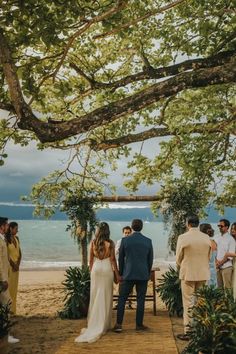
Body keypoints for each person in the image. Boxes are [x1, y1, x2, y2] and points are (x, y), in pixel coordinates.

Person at [75, 222, 120, 343]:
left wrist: (91, 273)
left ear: (98, 231)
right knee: (106, 296)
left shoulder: (93, 242)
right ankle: (104, 323)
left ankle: (94, 322)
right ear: (108, 231)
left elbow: (90, 260)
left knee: (95, 296)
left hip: (96, 269)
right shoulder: (110, 243)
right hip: (106, 269)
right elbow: (113, 261)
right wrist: (117, 275)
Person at [113, 219, 153, 333]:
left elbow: (120, 259)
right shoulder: (148, 241)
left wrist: (120, 274)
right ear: (141, 227)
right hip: (142, 274)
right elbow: (150, 260)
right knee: (141, 300)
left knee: (122, 299)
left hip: (128, 274)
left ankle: (119, 324)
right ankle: (139, 325)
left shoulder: (125, 241)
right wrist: (147, 272)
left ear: (132, 227)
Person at [176, 215, 211, 341]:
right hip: (203, 273)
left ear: (188, 224)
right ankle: (201, 329)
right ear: (197, 223)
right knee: (201, 302)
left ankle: (189, 331)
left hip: (188, 273)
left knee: (188, 303)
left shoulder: (183, 237)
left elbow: (178, 258)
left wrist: (183, 266)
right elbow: (208, 256)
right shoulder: (206, 237)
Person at [0, 217, 19, 344]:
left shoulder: (2, 239)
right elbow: (0, 262)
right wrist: (3, 279)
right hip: (3, 278)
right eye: (6, 225)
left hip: (5, 275)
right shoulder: (1, 240)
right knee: (7, 302)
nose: (7, 227)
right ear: (2, 226)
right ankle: (5, 334)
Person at [114, 226, 133, 310]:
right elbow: (116, 252)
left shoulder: (133, 242)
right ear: (123, 233)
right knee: (120, 285)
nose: (127, 234)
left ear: (131, 233)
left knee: (131, 285)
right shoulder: (120, 241)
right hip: (121, 266)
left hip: (131, 266)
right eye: (125, 233)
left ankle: (129, 303)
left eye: (128, 233)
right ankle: (118, 303)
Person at [5, 222, 22, 314]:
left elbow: (20, 253)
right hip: (10, 268)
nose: (17, 230)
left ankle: (13, 310)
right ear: (10, 229)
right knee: (9, 288)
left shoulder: (17, 238)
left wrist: (18, 265)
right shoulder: (6, 240)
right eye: (16, 228)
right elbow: (7, 255)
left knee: (14, 289)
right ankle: (8, 310)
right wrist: (13, 265)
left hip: (16, 268)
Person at [215, 219, 235, 289]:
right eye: (218, 226)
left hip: (227, 267)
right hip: (218, 267)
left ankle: (228, 300)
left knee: (227, 288)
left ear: (227, 227)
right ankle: (220, 300)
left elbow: (230, 255)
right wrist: (216, 262)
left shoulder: (231, 239)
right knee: (219, 288)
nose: (219, 227)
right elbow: (215, 252)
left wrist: (220, 263)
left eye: (221, 226)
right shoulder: (216, 237)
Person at [219, 222, 236, 299]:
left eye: (235, 229)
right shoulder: (231, 239)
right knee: (230, 284)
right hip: (231, 264)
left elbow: (231, 254)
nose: (233, 230)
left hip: (233, 263)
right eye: (232, 228)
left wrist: (227, 254)